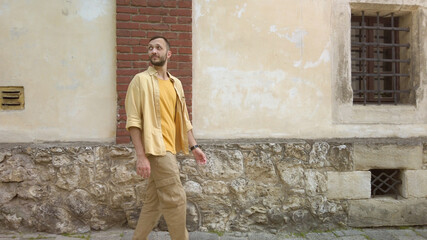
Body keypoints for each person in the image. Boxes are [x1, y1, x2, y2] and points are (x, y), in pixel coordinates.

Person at [125, 36, 207, 240]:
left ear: (168, 54)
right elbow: (133, 121)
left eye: (158, 48)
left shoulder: (176, 84)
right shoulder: (140, 80)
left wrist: (194, 146)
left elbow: (184, 119)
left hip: (171, 148)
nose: (153, 51)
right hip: (156, 149)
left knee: (154, 203)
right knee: (176, 198)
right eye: (150, 48)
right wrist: (141, 156)